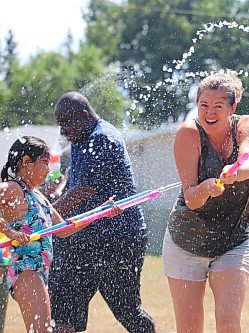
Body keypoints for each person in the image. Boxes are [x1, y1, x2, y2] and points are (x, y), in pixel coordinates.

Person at [48, 92, 156, 333]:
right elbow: (73, 179)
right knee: (63, 307)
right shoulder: (80, 137)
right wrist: (50, 192)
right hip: (84, 236)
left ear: (84, 116)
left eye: (66, 124)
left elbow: (84, 190)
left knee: (126, 310)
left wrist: (47, 216)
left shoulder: (101, 138)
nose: (63, 132)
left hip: (118, 237)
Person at [163, 70, 249, 333]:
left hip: (232, 242)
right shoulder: (188, 134)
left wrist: (234, 172)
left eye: (218, 106)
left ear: (233, 107)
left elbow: (247, 163)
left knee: (229, 324)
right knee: (189, 329)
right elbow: (191, 198)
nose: (210, 113)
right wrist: (206, 188)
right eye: (204, 105)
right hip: (186, 242)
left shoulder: (247, 125)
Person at [0, 136, 120, 333]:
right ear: (26, 162)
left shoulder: (37, 196)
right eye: (44, 163)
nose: (48, 170)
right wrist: (10, 232)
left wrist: (101, 211)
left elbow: (64, 229)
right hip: (25, 268)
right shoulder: (14, 189)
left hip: (39, 271)